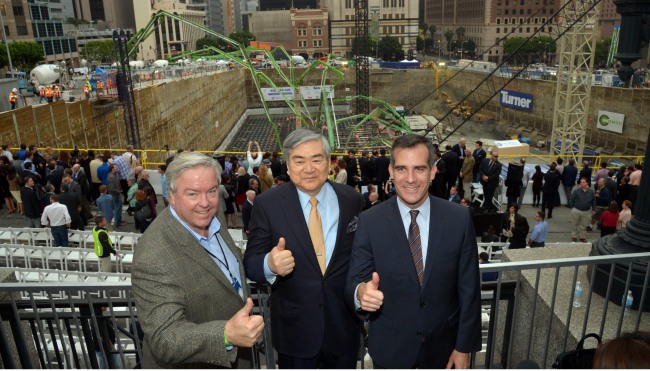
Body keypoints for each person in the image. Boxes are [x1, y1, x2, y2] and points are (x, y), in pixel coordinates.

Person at [345, 134, 482, 369]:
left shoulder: (459, 219)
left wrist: (463, 347)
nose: (410, 179)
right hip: (390, 351)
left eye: (419, 169)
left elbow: (469, 289)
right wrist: (361, 294)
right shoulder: (370, 221)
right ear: (390, 170)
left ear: (432, 171)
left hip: (444, 351)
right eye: (401, 169)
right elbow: (354, 281)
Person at [244, 128, 364, 369]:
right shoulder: (268, 204)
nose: (309, 168)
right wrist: (270, 264)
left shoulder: (351, 199)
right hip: (295, 333)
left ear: (328, 163)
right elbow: (251, 263)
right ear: (288, 166)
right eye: (299, 161)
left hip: (343, 329)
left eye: (316, 159)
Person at [131, 152, 263, 368]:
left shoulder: (211, 213)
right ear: (171, 195)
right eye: (192, 194)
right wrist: (226, 334)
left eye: (211, 191)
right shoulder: (152, 255)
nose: (205, 202)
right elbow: (165, 338)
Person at [569, 178, 596, 243]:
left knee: (584, 225)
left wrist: (594, 209)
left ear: (587, 183)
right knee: (574, 224)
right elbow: (571, 200)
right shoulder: (576, 191)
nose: (582, 183)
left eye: (583, 182)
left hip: (586, 211)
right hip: (576, 210)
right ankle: (574, 236)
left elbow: (593, 201)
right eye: (581, 182)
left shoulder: (591, 192)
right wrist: (572, 208)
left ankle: (582, 237)